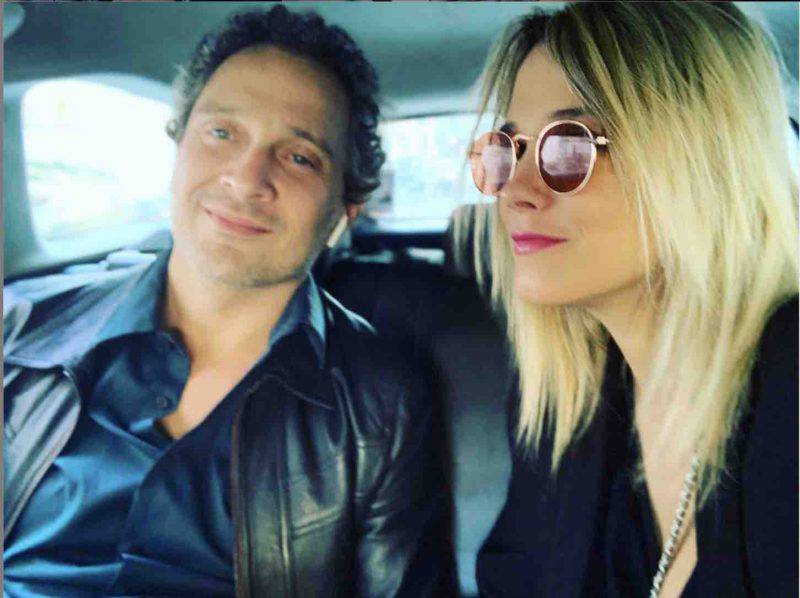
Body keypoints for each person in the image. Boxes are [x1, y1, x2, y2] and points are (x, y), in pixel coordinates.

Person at [3, 6, 455, 597]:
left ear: (343, 212)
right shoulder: (22, 333)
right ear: (179, 148)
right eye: (222, 133)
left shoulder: (383, 407)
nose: (246, 178)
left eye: (299, 157)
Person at [466, 2, 798, 596]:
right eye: (508, 148)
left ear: (705, 161)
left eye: (569, 146)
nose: (515, 190)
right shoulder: (563, 404)